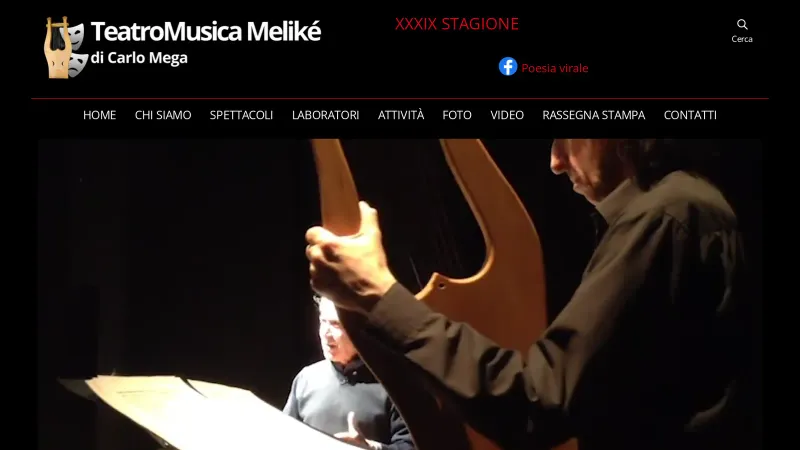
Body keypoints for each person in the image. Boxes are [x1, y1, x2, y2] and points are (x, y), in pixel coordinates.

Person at [304, 139, 760, 450]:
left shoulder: (667, 217)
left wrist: (378, 294)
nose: (555, 161)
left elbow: (537, 403)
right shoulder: (685, 209)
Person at [283, 295, 415, 450]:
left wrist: (370, 448)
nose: (325, 333)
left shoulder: (394, 384)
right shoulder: (306, 379)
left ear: (359, 328)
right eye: (323, 321)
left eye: (335, 324)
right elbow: (284, 437)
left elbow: (411, 446)